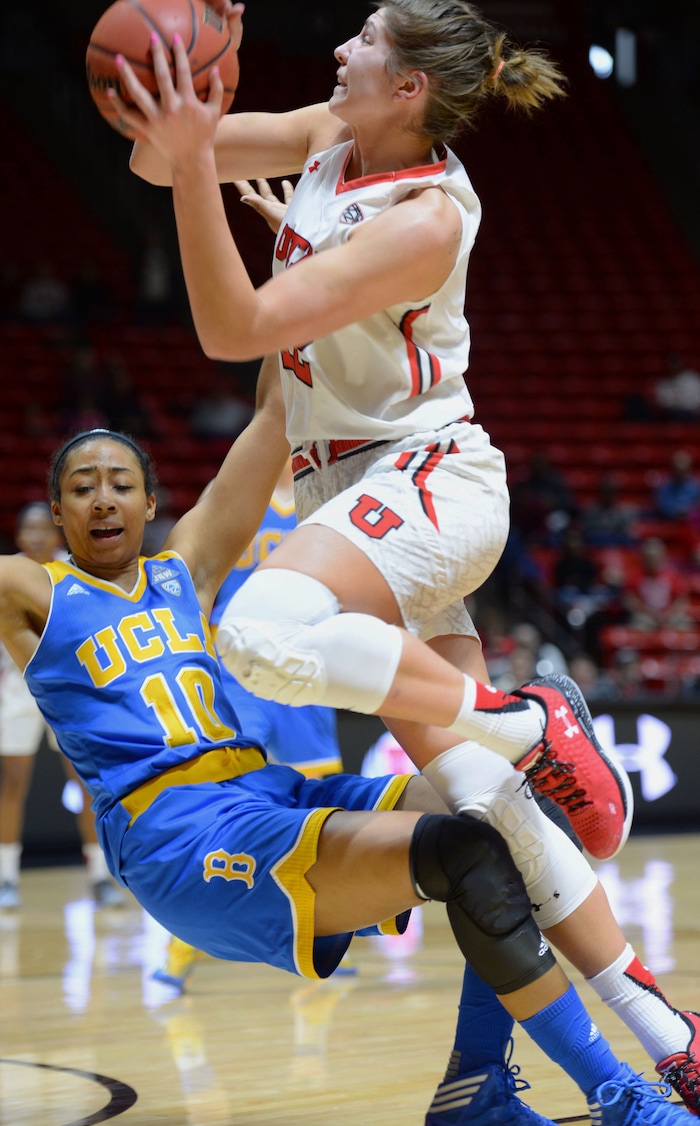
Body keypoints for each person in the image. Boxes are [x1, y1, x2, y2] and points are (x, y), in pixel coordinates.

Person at [116, 2, 700, 1115]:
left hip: (424, 476)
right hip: (354, 481)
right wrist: (171, 87)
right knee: (481, 802)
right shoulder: (327, 143)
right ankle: (656, 1028)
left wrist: (194, 171)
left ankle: (528, 719)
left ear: (409, 90)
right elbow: (155, 158)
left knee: (259, 634)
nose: (337, 49)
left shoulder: (428, 213)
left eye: (365, 41)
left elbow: (234, 330)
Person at [0, 421, 696, 1124]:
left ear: (152, 504)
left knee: (510, 812)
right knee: (467, 853)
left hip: (263, 788)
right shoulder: (35, 590)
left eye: (120, 485)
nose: (101, 501)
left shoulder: (183, 572)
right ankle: (620, 1098)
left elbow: (277, 408)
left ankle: (475, 1090)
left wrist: (312, 340)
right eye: (81, 489)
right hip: (174, 836)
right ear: (56, 511)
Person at [153, 456, 346, 990]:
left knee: (325, 802)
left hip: (306, 665)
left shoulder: (323, 496)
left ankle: (332, 924)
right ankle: (179, 949)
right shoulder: (236, 490)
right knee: (220, 800)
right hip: (237, 668)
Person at [0, 502, 124, 908]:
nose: (36, 536)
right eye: (28, 529)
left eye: (42, 529)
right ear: (19, 537)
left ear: (55, 534)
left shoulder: (67, 574)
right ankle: (6, 878)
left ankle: (100, 875)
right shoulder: (8, 572)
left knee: (85, 782)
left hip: (65, 690)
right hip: (16, 691)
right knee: (12, 783)